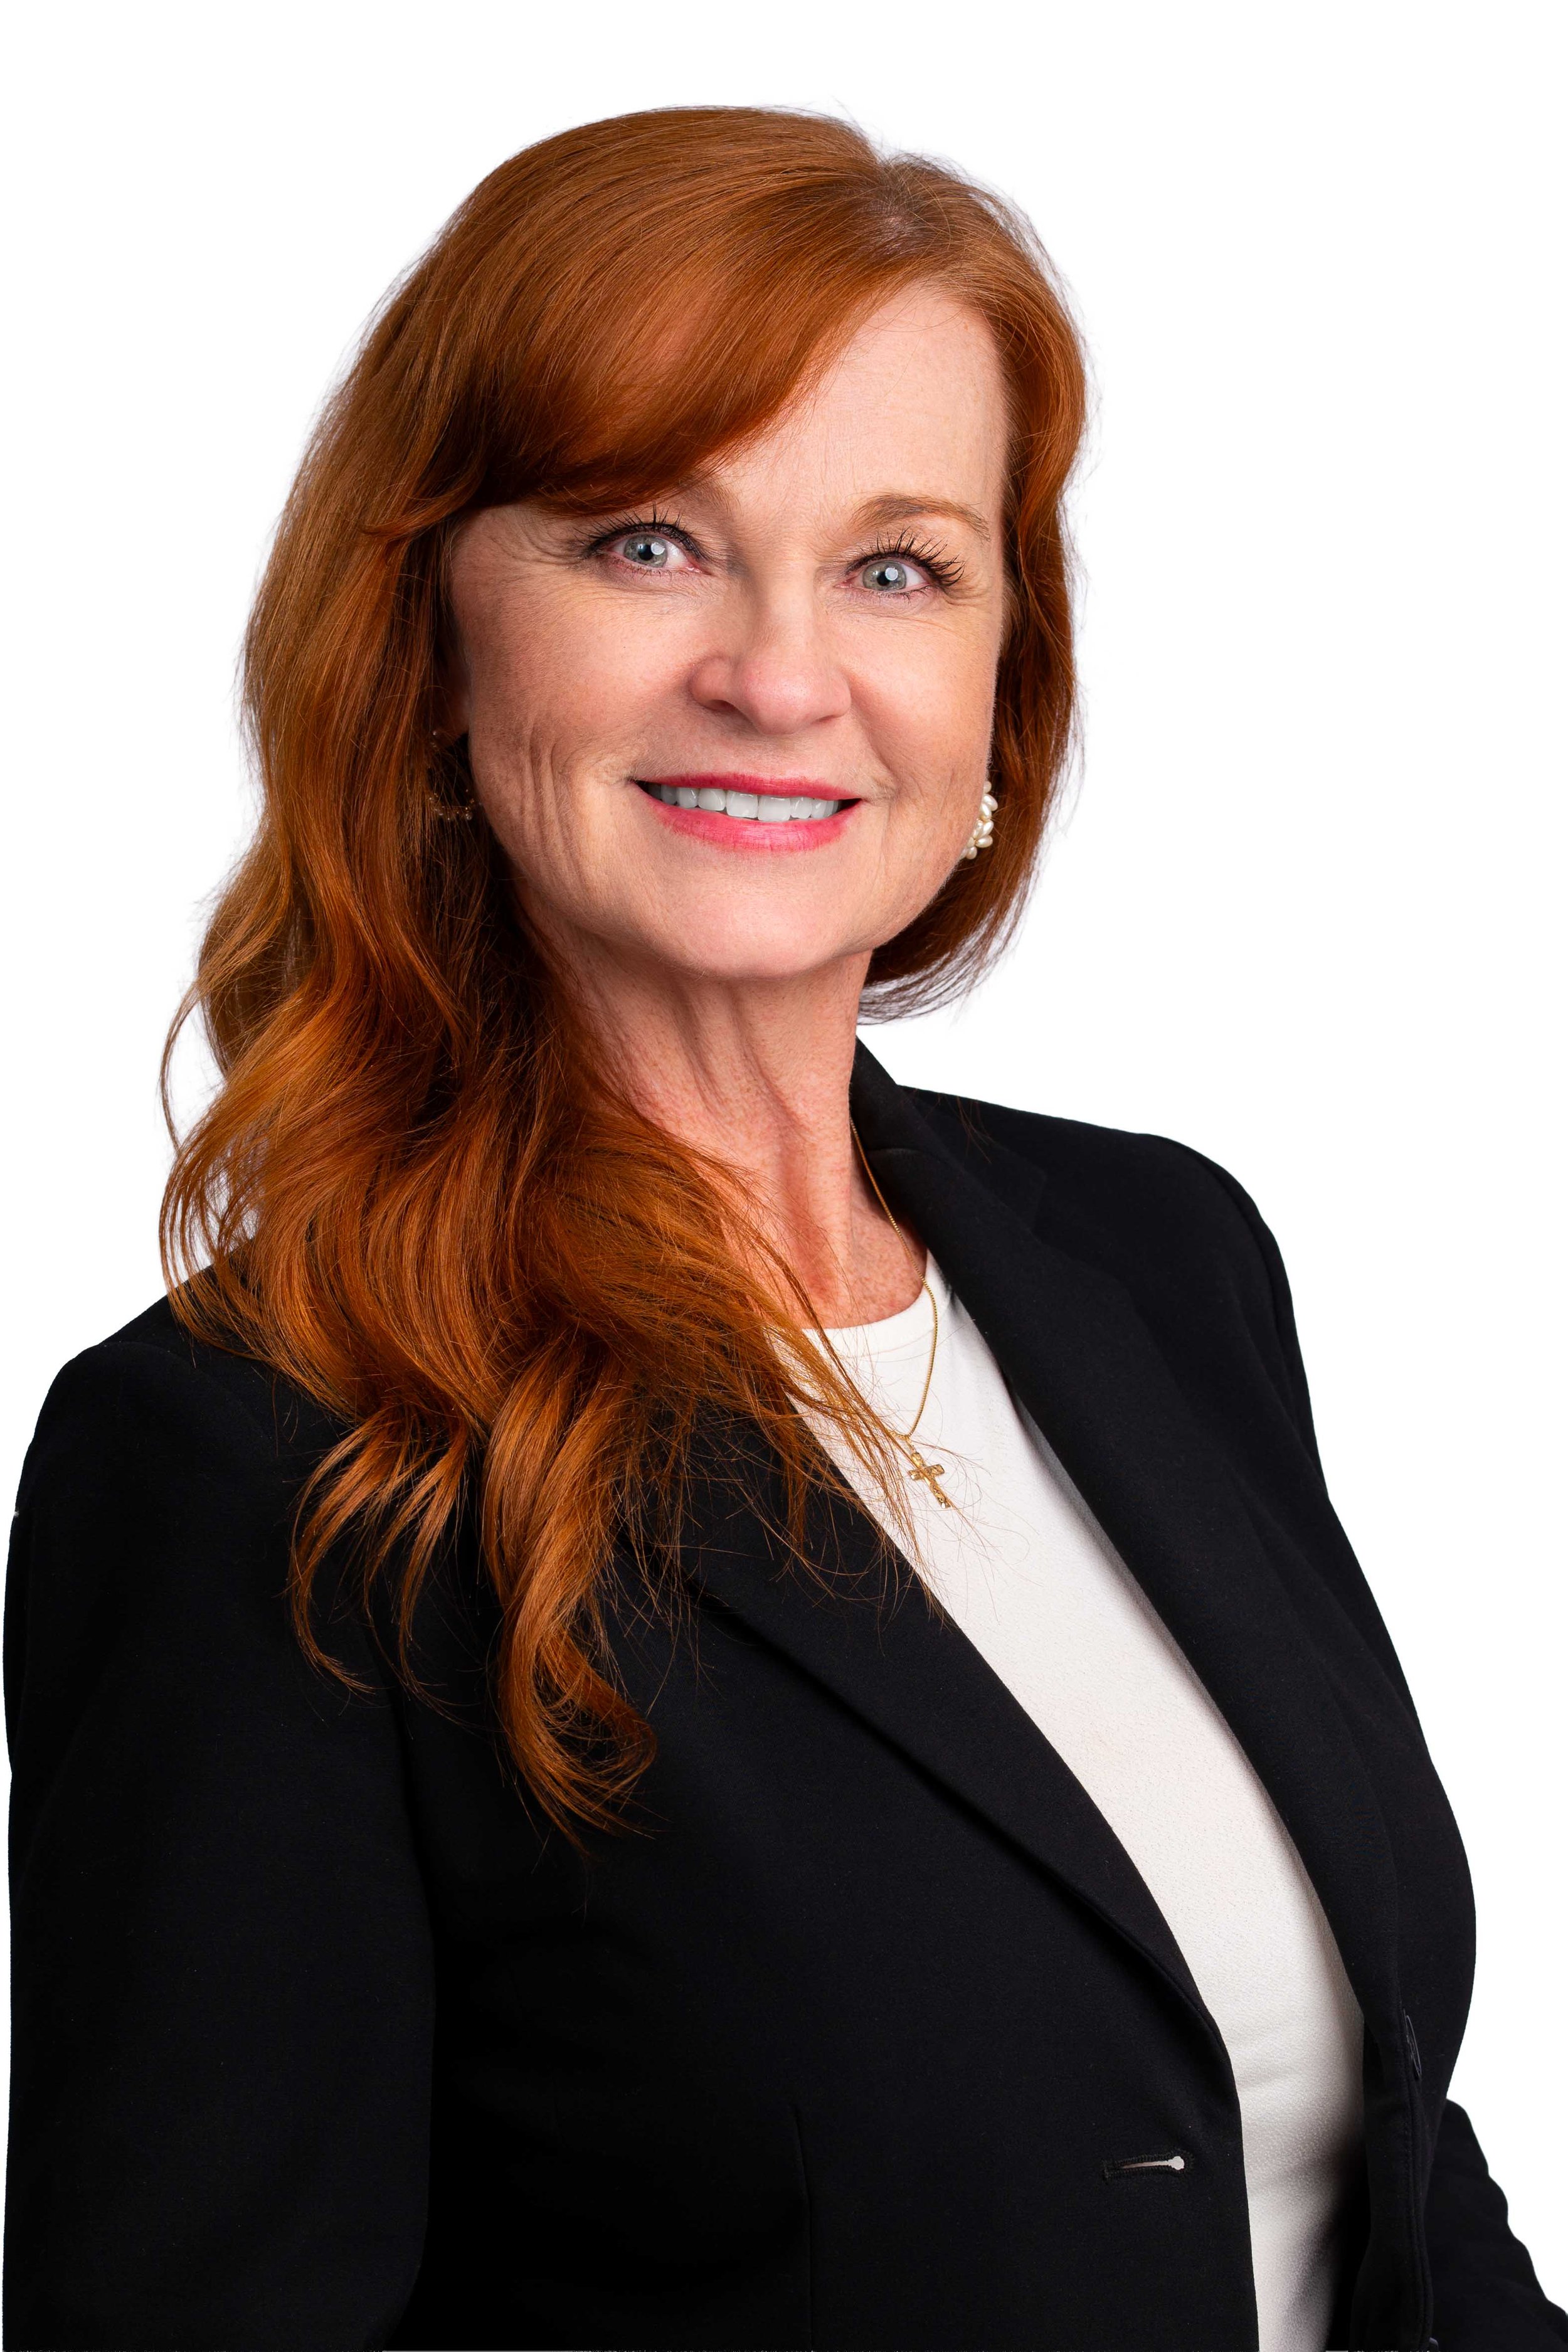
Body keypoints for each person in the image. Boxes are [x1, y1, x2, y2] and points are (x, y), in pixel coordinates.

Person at [4, 105, 1562, 2352]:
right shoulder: (256, 1459)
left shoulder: (1161, 1258)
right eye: (645, 543)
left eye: (897, 566)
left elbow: (1377, 2160)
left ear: (999, 695)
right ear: (431, 645)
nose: (777, 671)